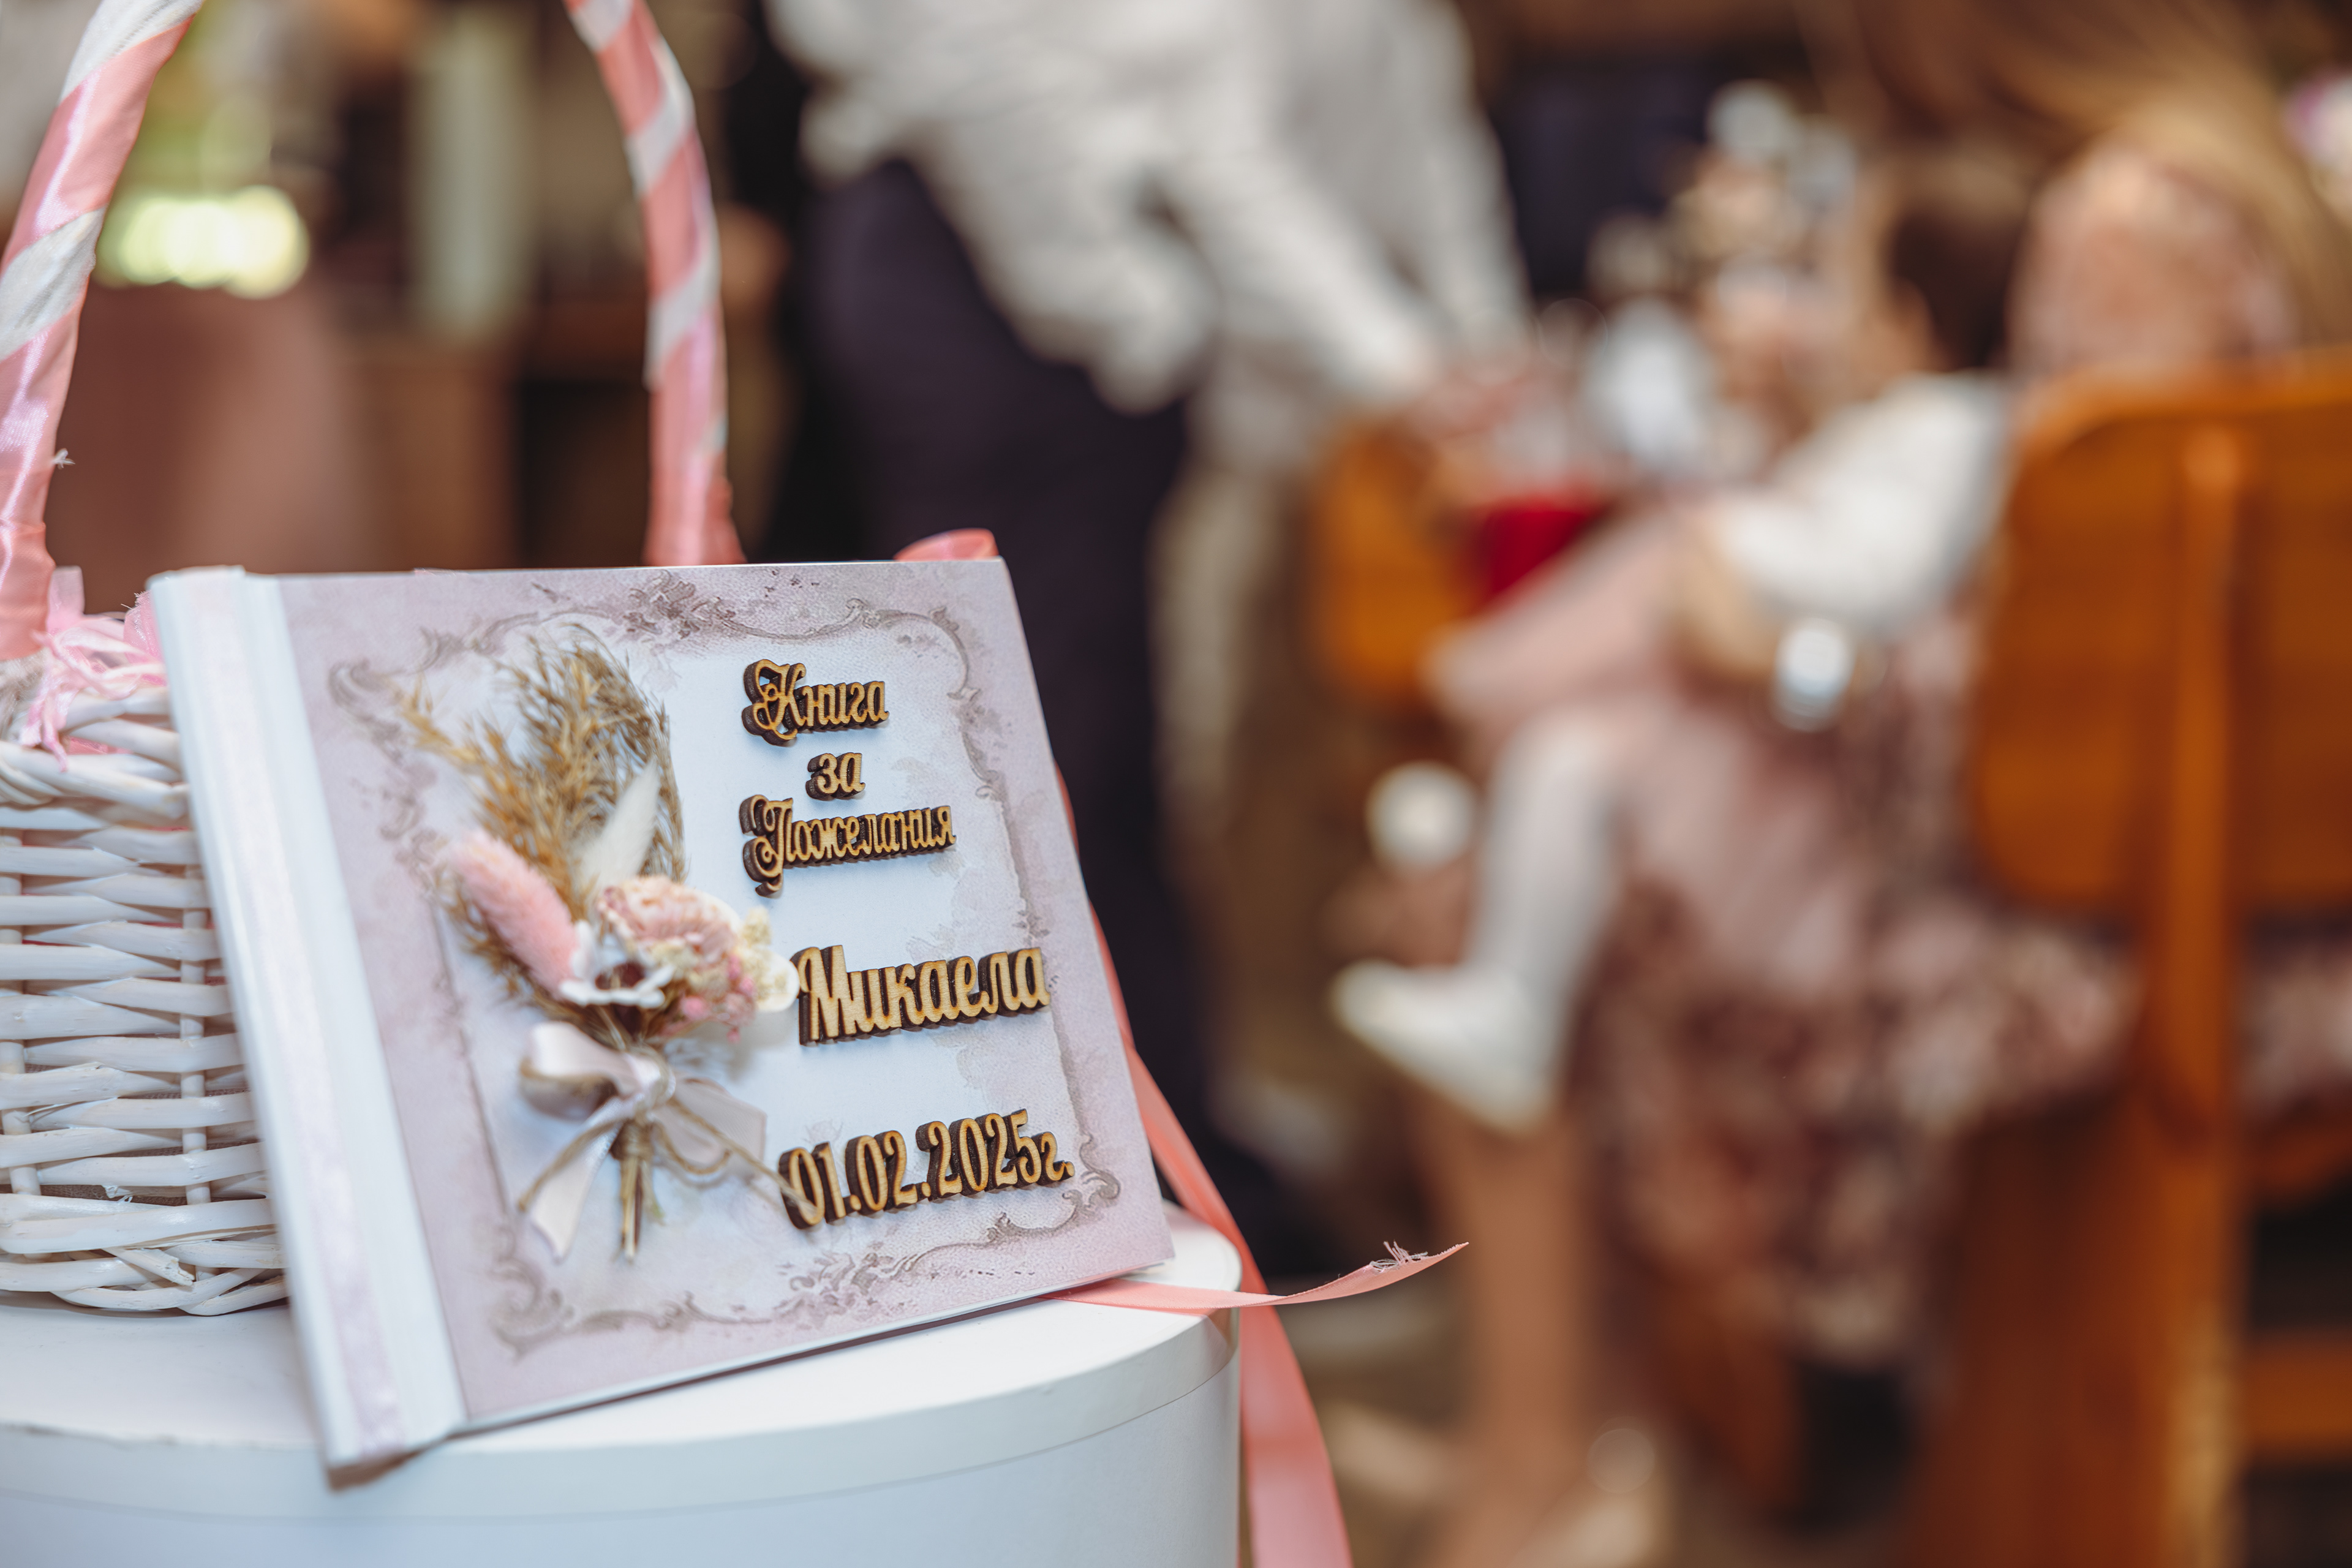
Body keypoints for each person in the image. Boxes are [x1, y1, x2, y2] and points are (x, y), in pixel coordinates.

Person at [1341, 2, 2352, 1561]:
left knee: (1498, 883)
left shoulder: (2124, 219)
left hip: (2123, 916)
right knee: (1560, 837)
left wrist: (1786, 658)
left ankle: (1561, 1462)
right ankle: (1564, 1451)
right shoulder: (2262, 178)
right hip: (2212, 863)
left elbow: (2023, 698)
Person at [760, 0, 1523, 1270]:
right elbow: (967, 57)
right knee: (1036, 758)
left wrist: (1459, 353)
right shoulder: (1063, 272)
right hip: (1005, 278)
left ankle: (1152, 1163)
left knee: (1094, 763)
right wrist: (1120, 306)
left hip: (1059, 285)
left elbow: (1389, 119)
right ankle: (1062, 1188)